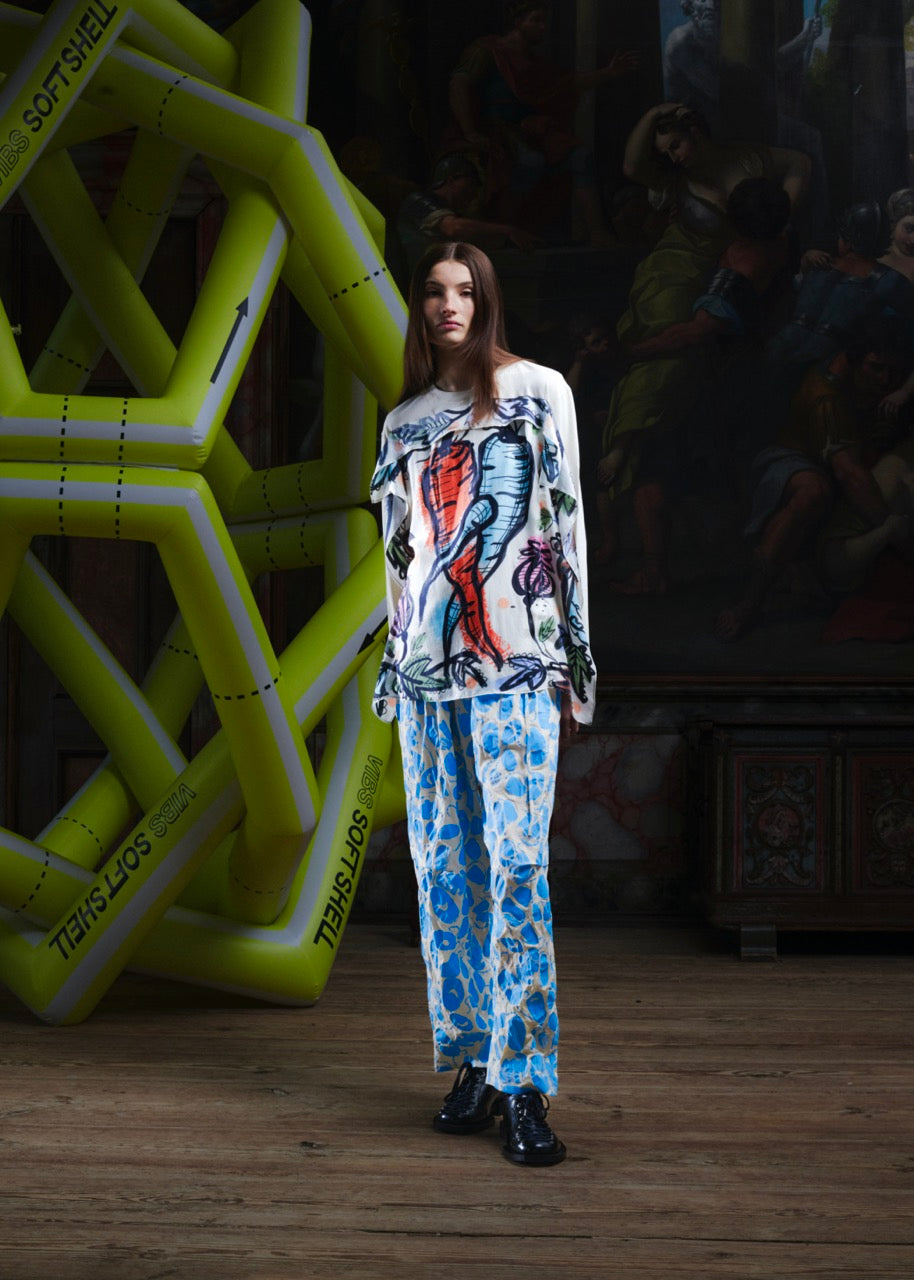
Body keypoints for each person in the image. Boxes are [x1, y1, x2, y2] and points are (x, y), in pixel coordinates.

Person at [370, 241, 595, 1166]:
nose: (448, 305)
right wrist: (394, 669)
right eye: (434, 291)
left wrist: (577, 664)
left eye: (465, 290)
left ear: (487, 301)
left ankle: (525, 1081)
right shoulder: (404, 423)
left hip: (519, 668)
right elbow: (400, 562)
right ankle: (472, 1063)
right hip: (428, 676)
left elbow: (568, 528)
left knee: (516, 870)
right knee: (443, 876)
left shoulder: (540, 393)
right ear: (419, 306)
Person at [595, 102, 808, 586]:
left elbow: (699, 329)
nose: (673, 157)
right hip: (677, 286)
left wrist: (631, 354)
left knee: (673, 397)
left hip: (720, 338)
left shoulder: (744, 259)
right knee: (670, 399)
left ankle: (630, 456)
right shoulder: (747, 238)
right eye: (665, 151)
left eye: (676, 144)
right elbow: (633, 167)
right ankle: (629, 455)